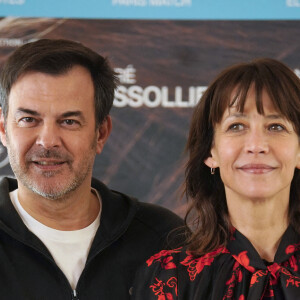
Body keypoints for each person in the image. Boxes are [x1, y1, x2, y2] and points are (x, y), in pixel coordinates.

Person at [0, 39, 185, 299]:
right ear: (4, 130)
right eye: (29, 119)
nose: (47, 140)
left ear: (101, 133)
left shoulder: (164, 240)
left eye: (68, 121)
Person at [132, 58, 300, 299]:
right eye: (236, 126)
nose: (256, 145)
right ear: (211, 152)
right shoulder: (170, 278)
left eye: (275, 127)